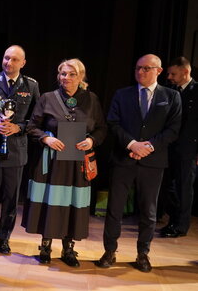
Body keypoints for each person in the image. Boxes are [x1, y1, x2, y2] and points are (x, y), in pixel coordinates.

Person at [99, 54, 182, 272]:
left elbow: (173, 130)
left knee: (148, 211)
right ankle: (109, 251)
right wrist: (133, 144)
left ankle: (143, 253)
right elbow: (113, 123)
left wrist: (148, 147)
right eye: (138, 68)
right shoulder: (122, 94)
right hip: (123, 159)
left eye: (146, 68)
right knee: (114, 208)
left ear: (158, 71)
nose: (140, 72)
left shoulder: (171, 96)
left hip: (153, 162)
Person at [21, 59, 106, 266]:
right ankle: (46, 246)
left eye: (71, 74)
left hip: (77, 162)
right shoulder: (48, 98)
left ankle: (69, 248)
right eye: (63, 74)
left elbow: (101, 128)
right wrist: (46, 138)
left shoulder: (91, 99)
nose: (66, 78)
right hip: (52, 161)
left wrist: (91, 141)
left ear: (81, 76)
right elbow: (32, 127)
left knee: (73, 203)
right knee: (50, 202)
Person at [0, 45, 40, 254]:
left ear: (23, 63)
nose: (8, 62)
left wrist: (19, 127)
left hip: (16, 150)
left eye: (14, 59)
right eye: (6, 58)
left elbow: (36, 119)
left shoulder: (31, 85)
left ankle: (4, 239)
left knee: (11, 199)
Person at [159, 56, 197, 238]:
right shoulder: (172, 91)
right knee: (169, 187)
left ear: (185, 72)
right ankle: (172, 221)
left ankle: (181, 226)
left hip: (188, 149)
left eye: (173, 74)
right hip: (170, 146)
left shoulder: (197, 91)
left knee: (183, 187)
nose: (169, 77)